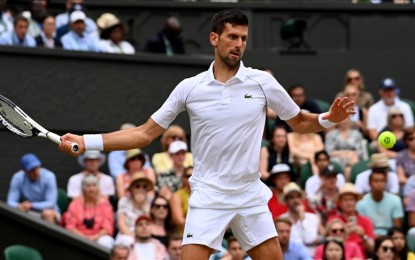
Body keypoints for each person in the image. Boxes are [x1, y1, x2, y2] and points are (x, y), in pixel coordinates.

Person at [59, 9, 355, 259]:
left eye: (243, 39)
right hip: (208, 195)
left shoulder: (263, 82)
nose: (238, 44)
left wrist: (329, 119)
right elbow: (144, 134)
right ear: (214, 39)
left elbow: (301, 121)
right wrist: (87, 142)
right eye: (232, 37)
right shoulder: (189, 88)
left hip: (249, 195)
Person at [63, 174, 115, 249]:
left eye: (94, 185)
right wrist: (84, 238)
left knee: (106, 241)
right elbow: (70, 226)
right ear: (83, 189)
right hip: (78, 237)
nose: (91, 189)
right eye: (88, 186)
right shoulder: (74, 205)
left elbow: (107, 227)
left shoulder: (105, 204)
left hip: (98, 237)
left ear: (98, 188)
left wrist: (94, 237)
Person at [7, 153, 60, 224]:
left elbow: (51, 203)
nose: (36, 172)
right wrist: (19, 206)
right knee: (17, 211)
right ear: (25, 171)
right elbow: (10, 202)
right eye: (31, 170)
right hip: (28, 212)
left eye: (37, 167)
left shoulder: (49, 176)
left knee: (47, 213)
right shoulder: (18, 178)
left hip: (50, 212)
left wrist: (32, 205)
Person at [327, 183, 375, 258]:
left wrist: (363, 236)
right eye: (345, 200)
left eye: (351, 199)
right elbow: (327, 245)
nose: (349, 203)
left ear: (356, 201)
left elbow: (373, 249)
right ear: (340, 203)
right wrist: (343, 234)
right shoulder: (333, 220)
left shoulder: (366, 221)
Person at [356, 170, 404, 236]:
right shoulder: (361, 203)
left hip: (389, 237)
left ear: (385, 183)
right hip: (369, 236)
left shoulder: (395, 200)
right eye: (376, 181)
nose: (379, 184)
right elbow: (363, 228)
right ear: (370, 183)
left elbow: (397, 227)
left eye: (382, 181)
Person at [280, 182, 322, 256]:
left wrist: (303, 219)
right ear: (286, 200)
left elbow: (310, 239)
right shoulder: (281, 220)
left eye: (297, 197)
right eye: (291, 198)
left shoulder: (313, 218)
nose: (295, 200)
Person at [115, 173, 154, 246]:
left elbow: (151, 222)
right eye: (137, 186)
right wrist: (134, 237)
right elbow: (121, 224)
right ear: (131, 189)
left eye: (144, 186)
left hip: (146, 235)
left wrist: (142, 205)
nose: (141, 189)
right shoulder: (124, 201)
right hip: (127, 234)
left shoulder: (151, 201)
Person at [169, 166, 192, 234]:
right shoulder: (177, 195)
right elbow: (179, 220)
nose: (191, 178)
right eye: (188, 176)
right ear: (183, 178)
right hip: (184, 235)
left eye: (194, 175)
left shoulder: (203, 194)